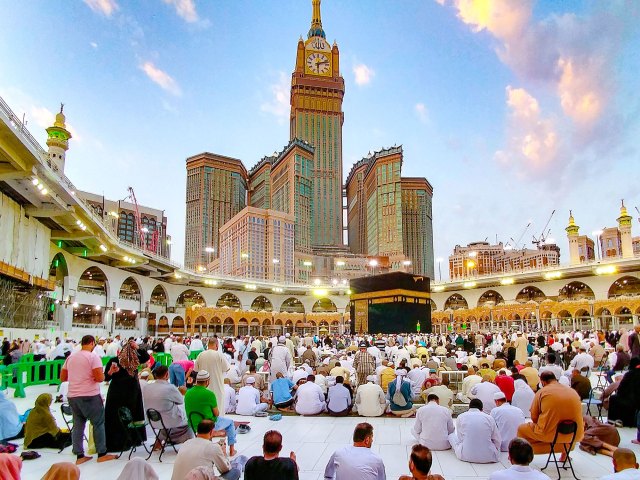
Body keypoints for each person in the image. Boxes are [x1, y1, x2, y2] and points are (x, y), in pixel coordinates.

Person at [61, 335, 117, 464]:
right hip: (89, 395)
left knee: (78, 425)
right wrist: (107, 374)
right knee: (98, 423)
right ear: (92, 343)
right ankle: (102, 453)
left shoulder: (71, 357)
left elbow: (63, 377)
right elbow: (99, 378)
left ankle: (79, 456)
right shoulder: (93, 357)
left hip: (73, 396)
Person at [517, 371, 584, 455]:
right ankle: (564, 455)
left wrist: (543, 423)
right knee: (568, 440)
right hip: (575, 434)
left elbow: (534, 417)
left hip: (550, 434)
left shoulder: (542, 392)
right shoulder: (572, 391)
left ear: (543, 382)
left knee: (521, 429)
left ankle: (521, 456)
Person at [103, 339, 149, 453]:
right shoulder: (129, 360)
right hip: (129, 392)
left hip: (120, 392)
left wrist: (110, 373)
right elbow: (146, 357)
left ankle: (123, 440)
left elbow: (106, 378)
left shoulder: (124, 360)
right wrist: (137, 347)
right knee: (128, 415)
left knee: (120, 416)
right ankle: (130, 439)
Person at [185, 370, 238, 456]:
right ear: (207, 381)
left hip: (192, 424)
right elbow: (216, 413)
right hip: (207, 424)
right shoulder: (209, 394)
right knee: (230, 423)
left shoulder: (188, 393)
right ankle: (232, 450)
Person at [171, 419, 243, 480]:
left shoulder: (186, 443)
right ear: (211, 432)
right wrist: (223, 454)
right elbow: (225, 469)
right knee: (235, 470)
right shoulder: (213, 447)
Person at [142, 365, 193, 445]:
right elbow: (180, 401)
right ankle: (186, 442)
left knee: (166, 413)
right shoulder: (170, 388)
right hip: (169, 421)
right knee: (187, 416)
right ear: (166, 375)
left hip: (152, 420)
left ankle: (158, 442)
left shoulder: (147, 387)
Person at [448, 398, 501, 463]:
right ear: (482, 409)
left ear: (469, 407)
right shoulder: (489, 418)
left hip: (466, 455)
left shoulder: (461, 417)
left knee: (451, 436)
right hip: (488, 456)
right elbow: (497, 440)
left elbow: (460, 438)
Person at [195, 338, 230, 415]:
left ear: (207, 345)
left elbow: (196, 369)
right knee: (218, 406)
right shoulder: (219, 354)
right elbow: (227, 368)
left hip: (203, 386)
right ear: (217, 345)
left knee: (205, 407)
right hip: (217, 385)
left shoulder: (201, 355)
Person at [607, 357, 640, 427]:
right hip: (637, 399)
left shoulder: (629, 374)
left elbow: (621, 388)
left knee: (613, 398)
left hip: (629, 399)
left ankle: (613, 420)